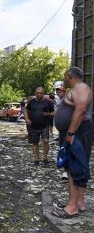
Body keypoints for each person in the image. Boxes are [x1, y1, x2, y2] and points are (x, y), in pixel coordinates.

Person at [52, 67, 93, 218]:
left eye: (65, 76)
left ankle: (71, 208)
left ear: (69, 76)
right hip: (78, 131)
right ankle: (79, 202)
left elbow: (81, 110)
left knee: (73, 168)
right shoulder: (79, 88)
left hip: (77, 132)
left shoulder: (80, 88)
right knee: (80, 167)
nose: (64, 79)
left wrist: (70, 132)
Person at [24, 86, 54, 166]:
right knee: (35, 143)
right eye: (37, 93)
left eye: (40, 93)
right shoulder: (31, 102)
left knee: (46, 141)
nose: (38, 94)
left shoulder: (48, 103)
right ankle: (36, 159)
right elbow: (26, 110)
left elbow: (54, 113)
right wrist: (27, 119)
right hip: (33, 126)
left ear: (43, 94)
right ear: (35, 93)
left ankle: (45, 158)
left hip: (45, 125)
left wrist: (48, 114)